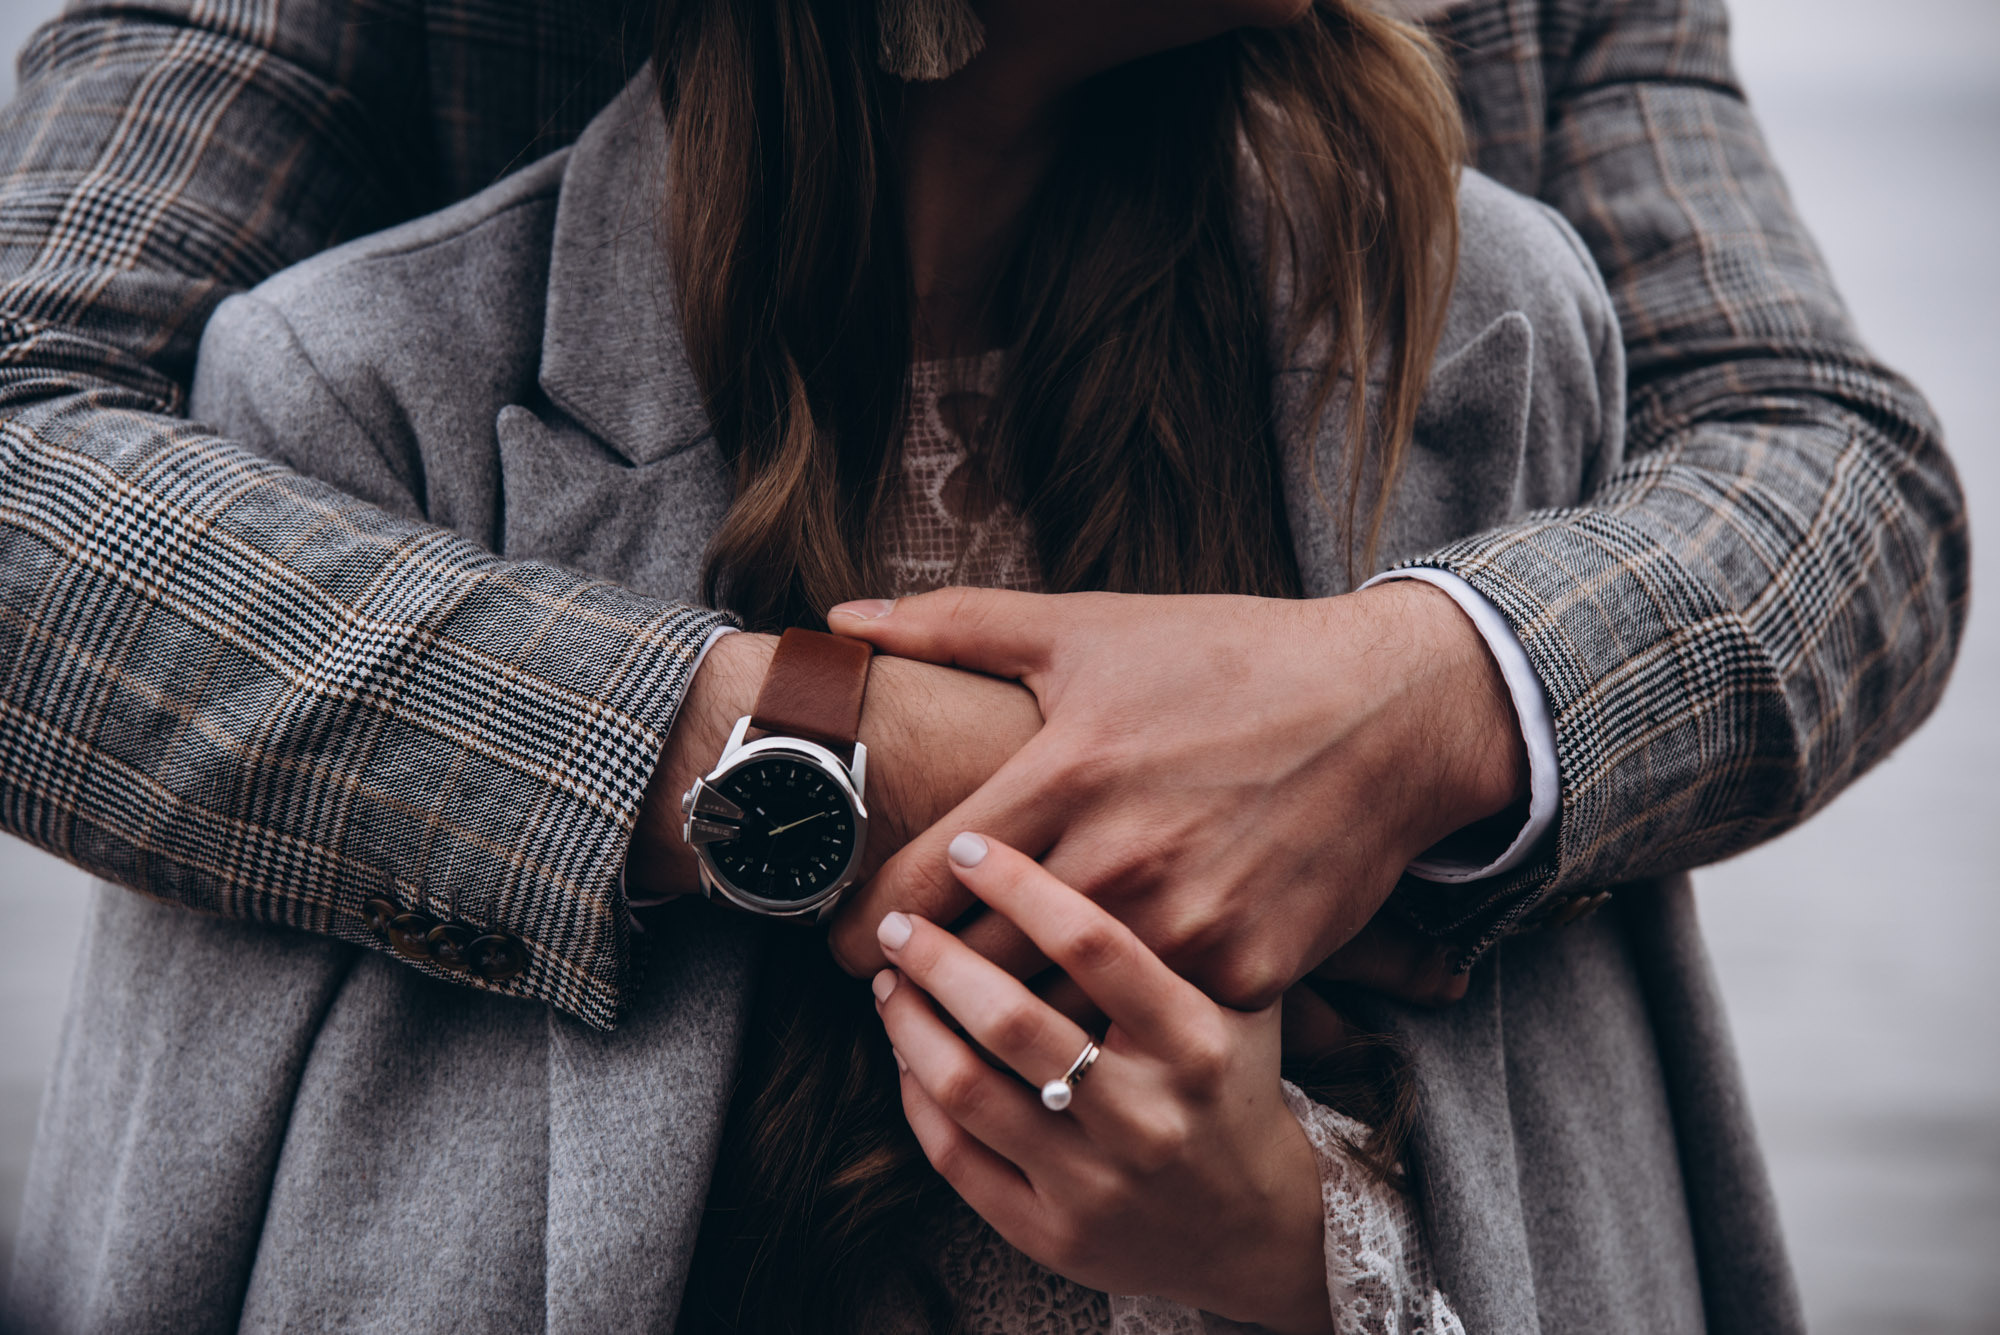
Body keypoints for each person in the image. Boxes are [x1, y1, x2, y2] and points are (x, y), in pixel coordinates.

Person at [0, 0, 1964, 1331]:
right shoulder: (353, 379)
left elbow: (1837, 475)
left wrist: (1420, 695)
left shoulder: (1490, 326)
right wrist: (865, 761)